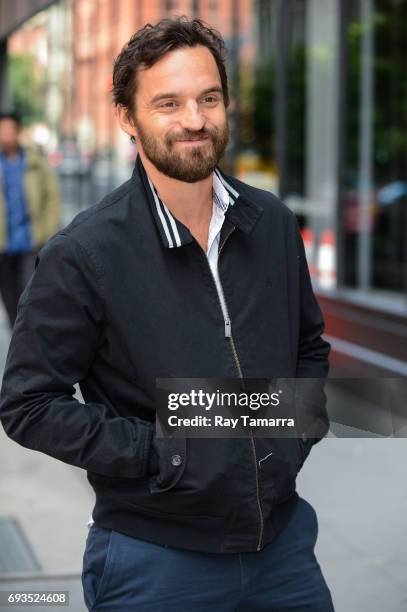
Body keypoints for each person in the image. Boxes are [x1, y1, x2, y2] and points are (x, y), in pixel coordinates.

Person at [0, 17, 335, 611]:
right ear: (128, 118)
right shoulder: (84, 253)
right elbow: (29, 403)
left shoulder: (274, 224)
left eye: (209, 98)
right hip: (156, 560)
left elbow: (308, 347)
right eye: (168, 103)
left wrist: (291, 435)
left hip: (284, 551)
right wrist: (165, 453)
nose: (194, 120)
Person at [0, 111, 61, 329]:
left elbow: (52, 196)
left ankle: (27, 332)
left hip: (31, 240)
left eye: (10, 129)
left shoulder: (35, 162)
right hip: (4, 244)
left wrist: (48, 231)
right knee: (8, 294)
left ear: (17, 131)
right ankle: (17, 330)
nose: (6, 135)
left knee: (30, 292)